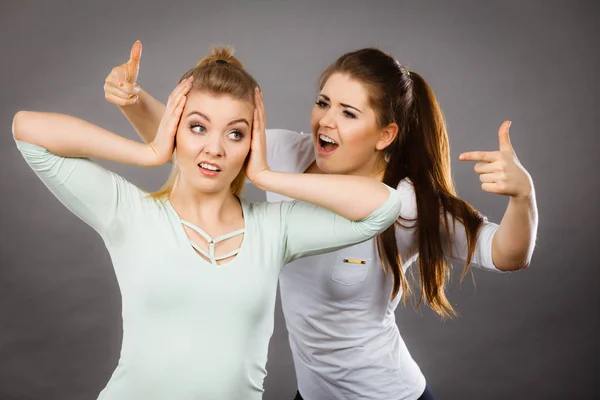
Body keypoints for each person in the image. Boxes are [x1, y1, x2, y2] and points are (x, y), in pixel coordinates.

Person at [104, 42, 538, 400]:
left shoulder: (409, 202)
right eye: (323, 103)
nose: (326, 121)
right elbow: (197, 146)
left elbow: (506, 253)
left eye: (349, 113)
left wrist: (523, 196)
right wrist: (133, 98)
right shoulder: (287, 155)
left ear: (385, 134)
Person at [12, 47, 404, 400]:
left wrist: (265, 175)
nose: (214, 148)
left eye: (235, 133)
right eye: (197, 127)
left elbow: (383, 206)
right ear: (175, 129)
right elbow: (28, 129)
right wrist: (149, 152)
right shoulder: (130, 212)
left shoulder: (275, 229)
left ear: (251, 145)